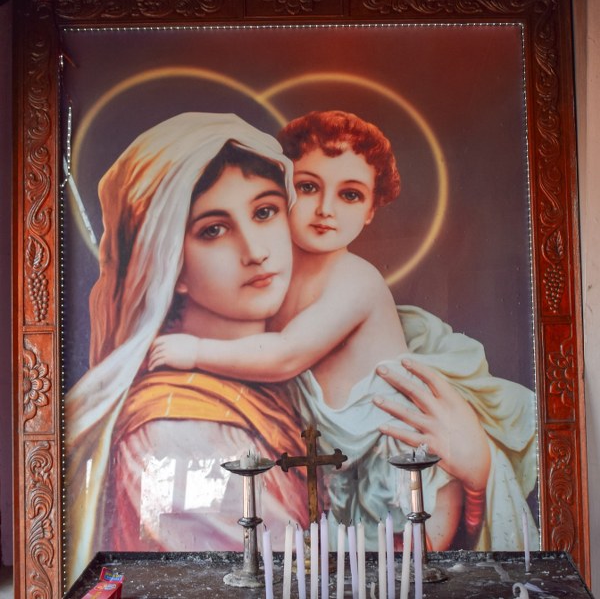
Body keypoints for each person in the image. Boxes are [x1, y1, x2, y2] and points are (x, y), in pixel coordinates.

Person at [147, 111, 537, 551]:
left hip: (393, 449)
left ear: (370, 210)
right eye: (308, 187)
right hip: (336, 459)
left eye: (349, 195)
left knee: (405, 556)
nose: (325, 210)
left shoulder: (356, 280)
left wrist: (195, 351)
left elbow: (285, 354)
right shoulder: (273, 278)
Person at [64, 112, 309, 585]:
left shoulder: (290, 376)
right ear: (168, 263)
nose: (255, 250)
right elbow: (275, 579)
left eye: (265, 212)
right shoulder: (175, 429)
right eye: (213, 229)